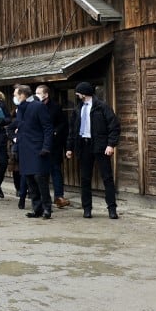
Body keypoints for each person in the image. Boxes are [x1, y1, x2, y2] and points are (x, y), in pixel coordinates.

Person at [65, 82, 121, 219]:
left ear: (84, 93)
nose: (77, 95)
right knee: (85, 178)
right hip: (84, 145)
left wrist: (111, 144)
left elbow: (114, 126)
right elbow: (72, 130)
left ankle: (112, 209)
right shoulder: (78, 109)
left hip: (100, 145)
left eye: (78, 93)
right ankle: (87, 208)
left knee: (107, 178)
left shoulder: (102, 107)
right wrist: (69, 147)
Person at [13, 84, 54, 219]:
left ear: (22, 95)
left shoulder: (38, 106)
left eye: (15, 95)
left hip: (37, 148)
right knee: (29, 179)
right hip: (25, 149)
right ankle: (37, 209)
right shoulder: (20, 108)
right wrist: (16, 146)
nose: (14, 97)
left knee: (40, 179)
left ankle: (47, 208)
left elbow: (48, 128)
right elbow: (19, 128)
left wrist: (46, 147)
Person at [35, 84, 71, 208]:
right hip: (40, 143)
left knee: (55, 169)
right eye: (36, 93)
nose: (37, 95)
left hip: (54, 144)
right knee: (41, 171)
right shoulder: (35, 107)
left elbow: (63, 123)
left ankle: (58, 197)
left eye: (39, 93)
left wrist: (55, 131)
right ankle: (43, 197)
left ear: (46, 94)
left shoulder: (55, 107)